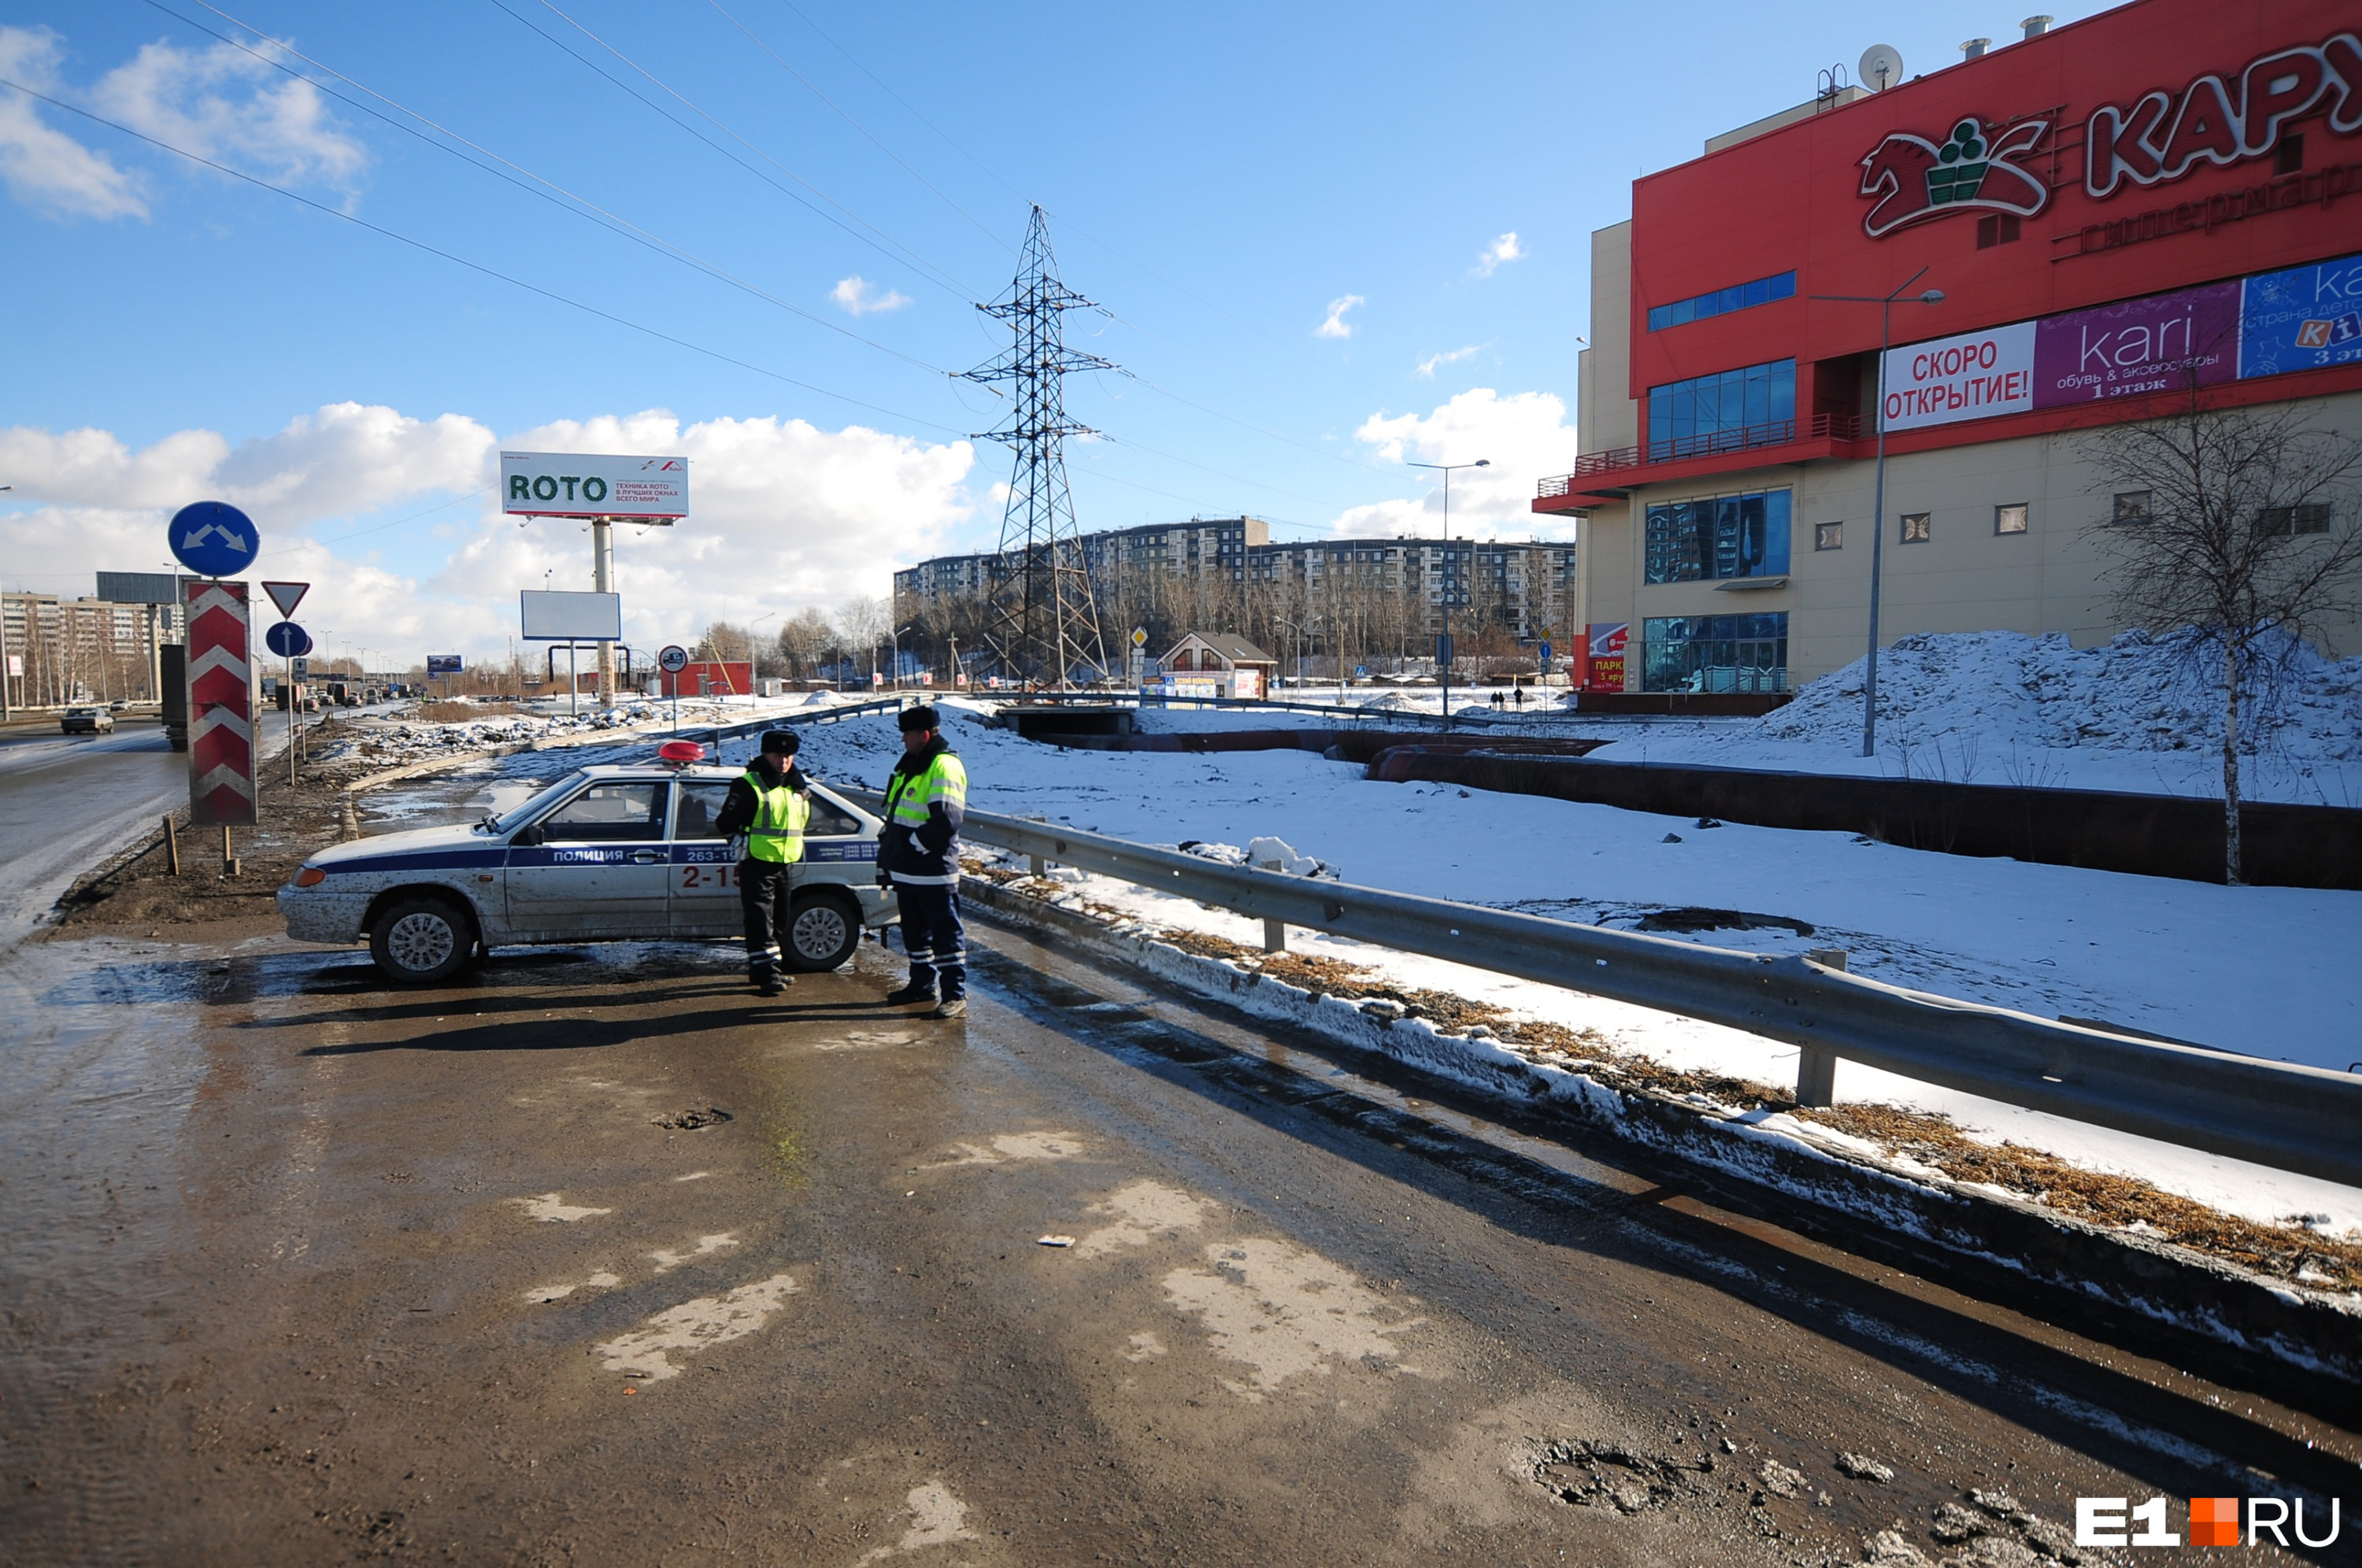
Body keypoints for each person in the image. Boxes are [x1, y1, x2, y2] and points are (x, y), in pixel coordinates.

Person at [877, 704, 969, 1019]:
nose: (903, 740)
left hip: (932, 870)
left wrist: (914, 846)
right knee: (914, 934)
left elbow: (947, 819)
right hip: (909, 870)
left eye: (907, 734)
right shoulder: (910, 765)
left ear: (924, 735)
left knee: (946, 935)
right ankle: (921, 985)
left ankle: (955, 994)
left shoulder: (943, 766)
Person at [714, 729, 811, 996]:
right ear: (766, 754)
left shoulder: (797, 786)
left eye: (788, 755)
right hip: (756, 861)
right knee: (760, 921)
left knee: (780, 920)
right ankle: (769, 975)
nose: (784, 761)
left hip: (785, 861)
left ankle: (765, 968)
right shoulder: (749, 784)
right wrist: (738, 843)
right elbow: (725, 822)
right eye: (778, 755)